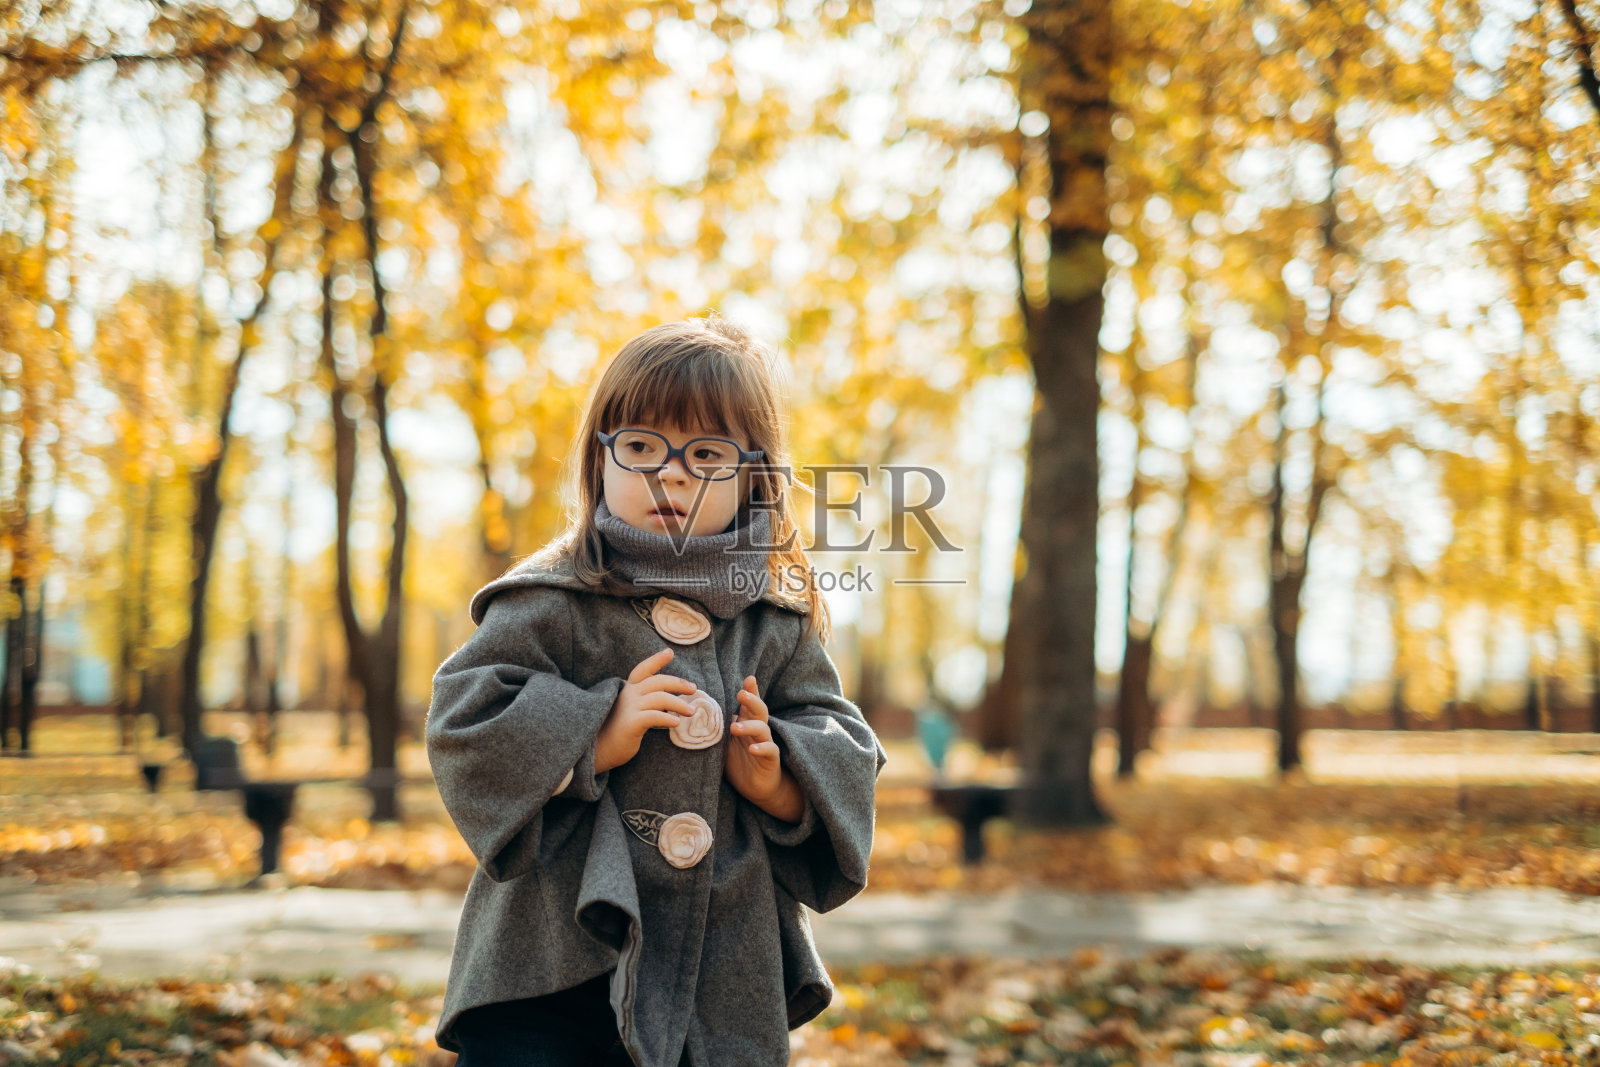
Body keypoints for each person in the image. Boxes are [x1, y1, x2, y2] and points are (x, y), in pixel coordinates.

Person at [425, 315, 887, 1067]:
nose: (670, 473)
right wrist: (594, 733)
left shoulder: (774, 620)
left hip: (718, 963)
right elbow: (466, 718)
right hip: (545, 961)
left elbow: (840, 737)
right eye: (640, 447)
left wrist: (779, 782)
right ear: (600, 457)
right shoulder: (554, 597)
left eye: (706, 454)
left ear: (756, 477)